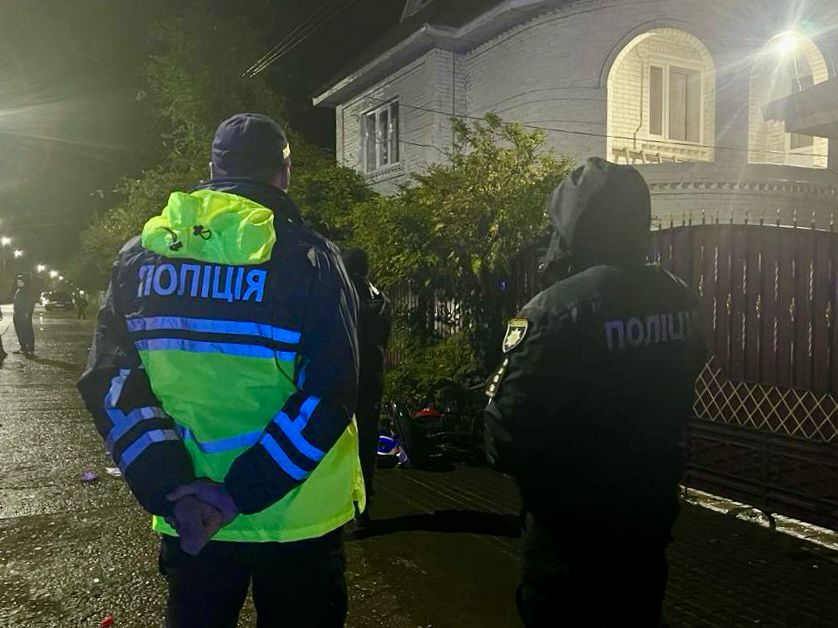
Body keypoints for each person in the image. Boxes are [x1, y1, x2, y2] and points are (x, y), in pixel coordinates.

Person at [78, 113, 363, 628]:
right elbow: (330, 390)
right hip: (295, 516)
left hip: (190, 514)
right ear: (284, 173)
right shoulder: (310, 258)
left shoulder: (140, 257)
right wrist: (239, 494)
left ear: (213, 170)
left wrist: (170, 486)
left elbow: (111, 382)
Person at [484, 158, 705, 627]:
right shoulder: (680, 298)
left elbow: (505, 436)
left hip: (571, 539)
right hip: (647, 521)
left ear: (572, 222)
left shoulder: (554, 310)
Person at [341, 247, 391, 526]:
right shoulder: (383, 301)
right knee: (367, 441)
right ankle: (363, 506)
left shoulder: (341, 298)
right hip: (372, 378)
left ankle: (340, 504)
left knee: (337, 439)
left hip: (344, 378)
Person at [13, 274, 37, 357]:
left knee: (27, 331)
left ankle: (30, 349)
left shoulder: (28, 291)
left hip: (24, 315)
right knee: (20, 331)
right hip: (17, 314)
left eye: (20, 281)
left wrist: (27, 312)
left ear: (24, 282)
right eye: (17, 281)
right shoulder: (18, 290)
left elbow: (31, 303)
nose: (18, 283)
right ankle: (23, 347)